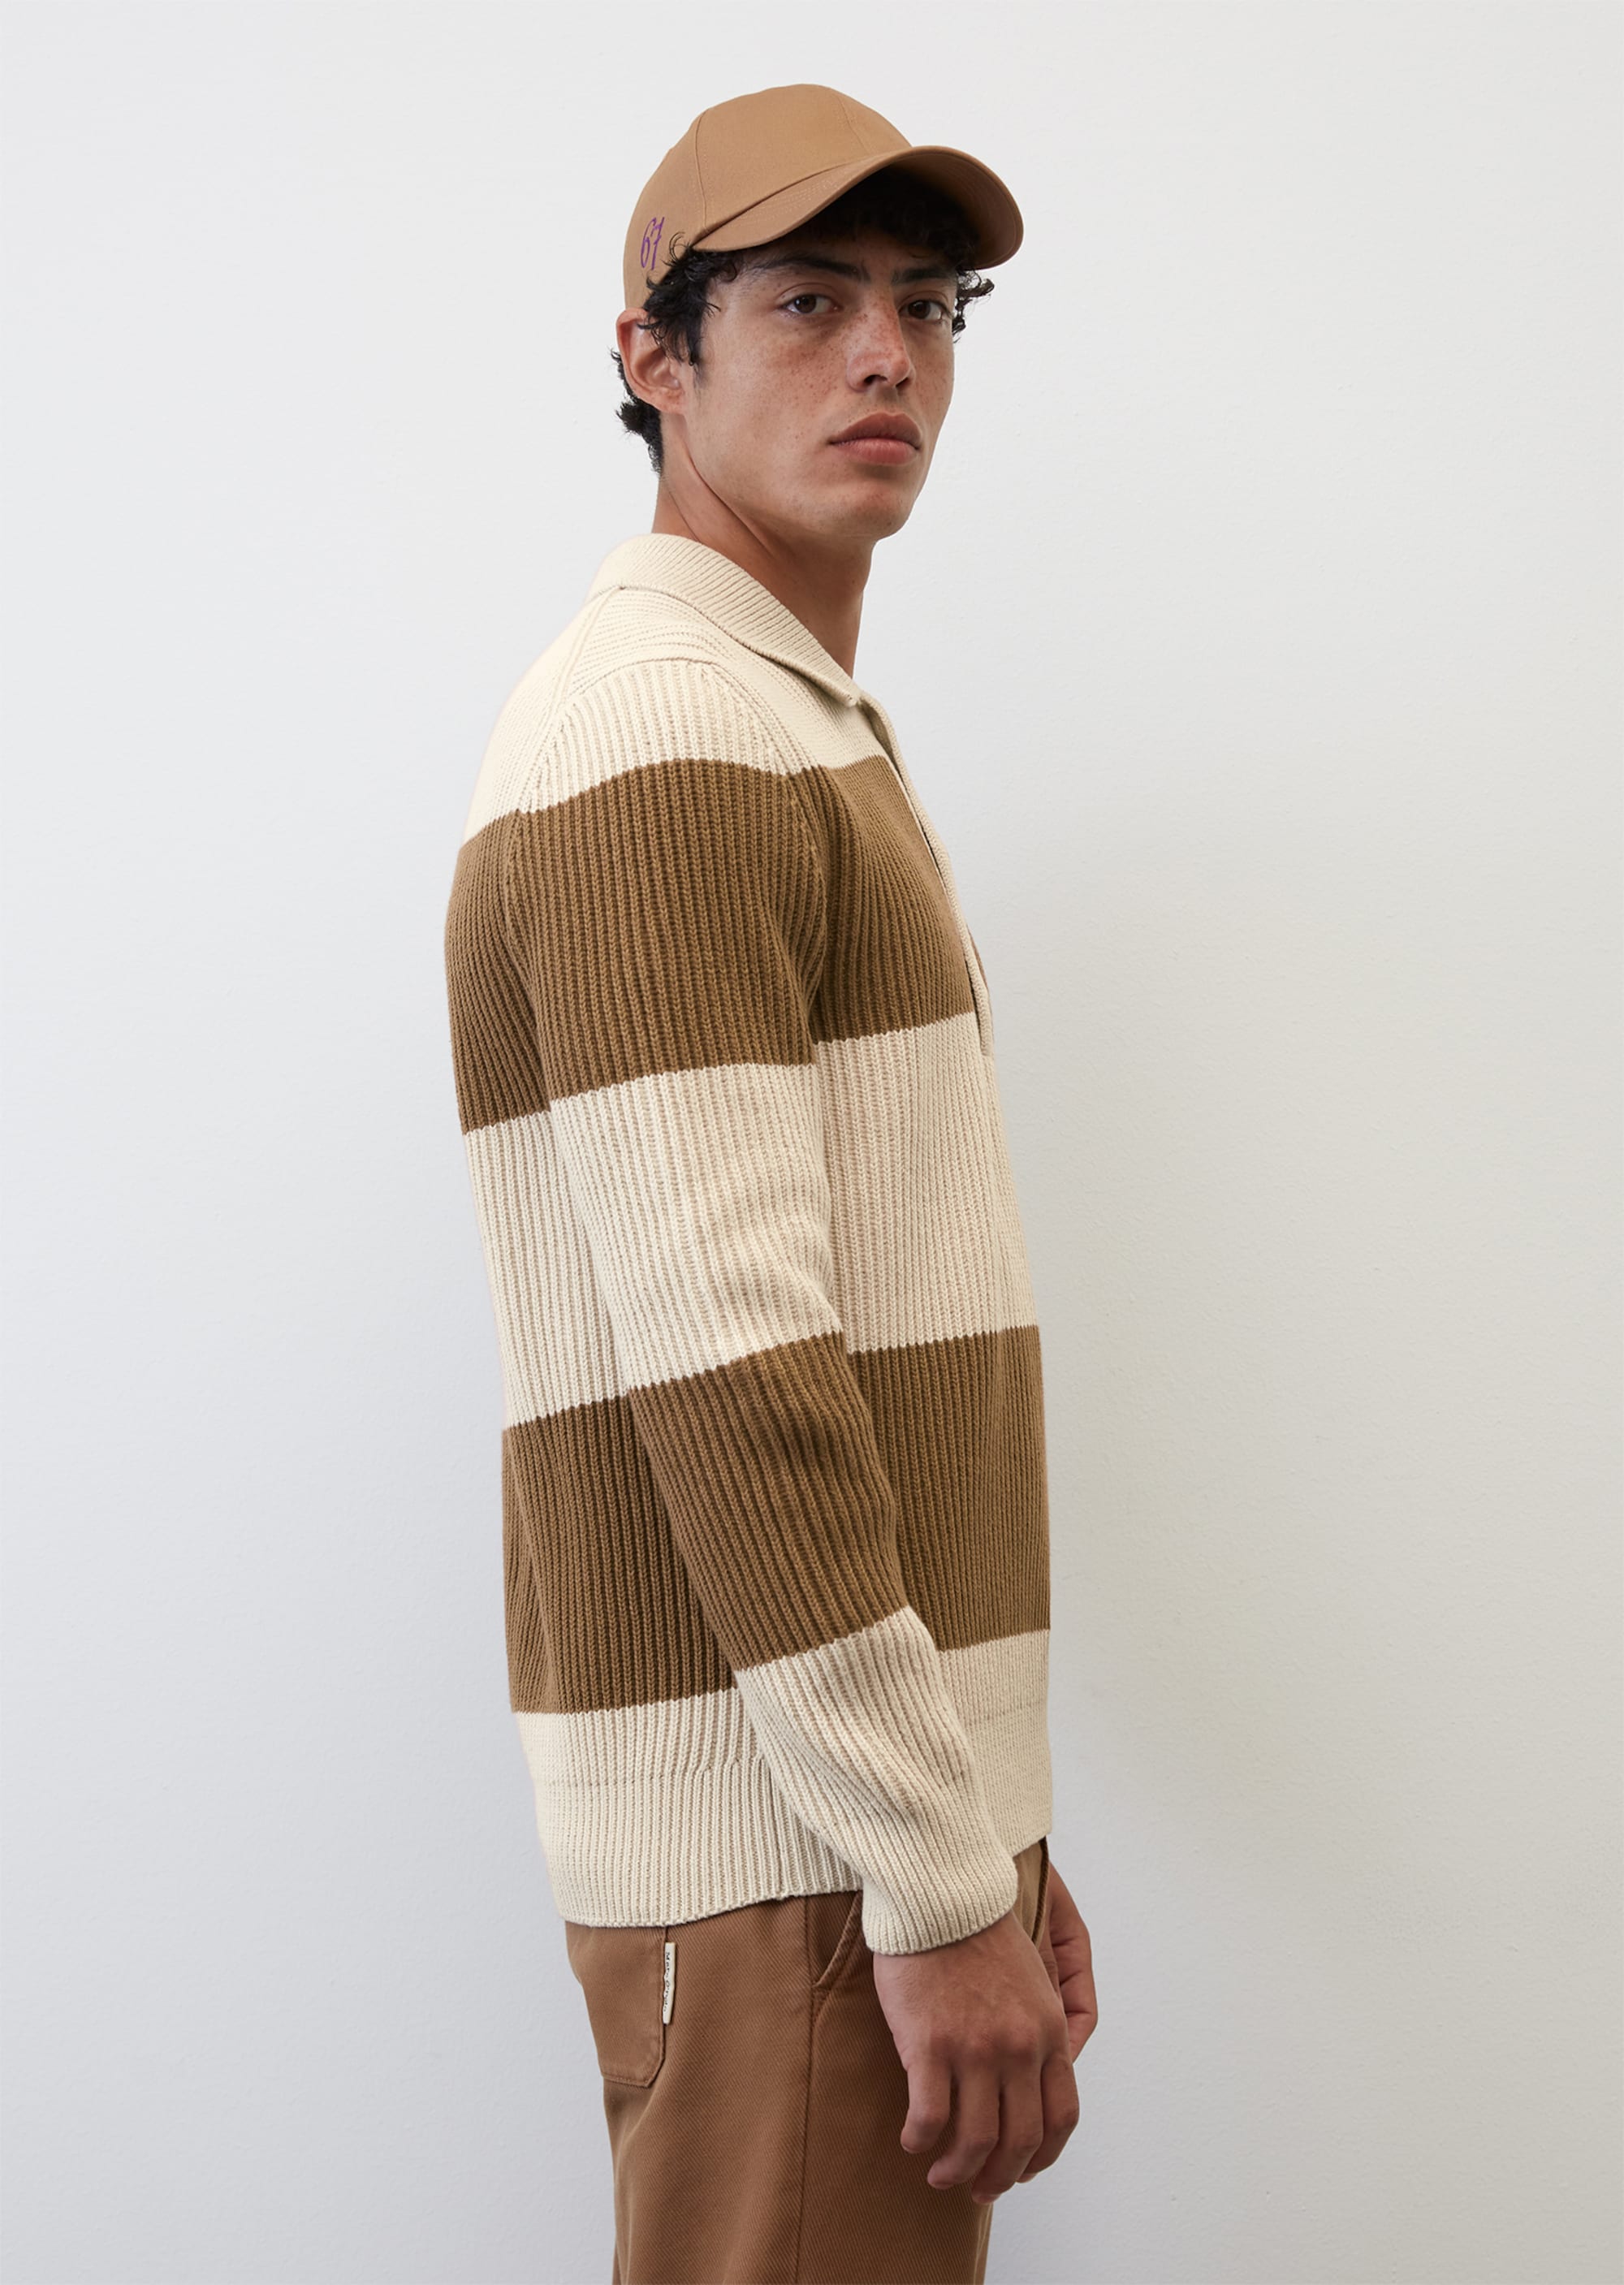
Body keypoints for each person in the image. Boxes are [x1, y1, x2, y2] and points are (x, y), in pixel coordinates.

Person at [443, 80, 1098, 2285]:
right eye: (810, 302)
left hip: (837, 1841)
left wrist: (978, 1828)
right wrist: (930, 1870)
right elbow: (736, 1374)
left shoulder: (779, 718)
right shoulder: (672, 732)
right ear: (653, 354)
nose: (888, 354)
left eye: (929, 304)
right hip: (788, 1855)